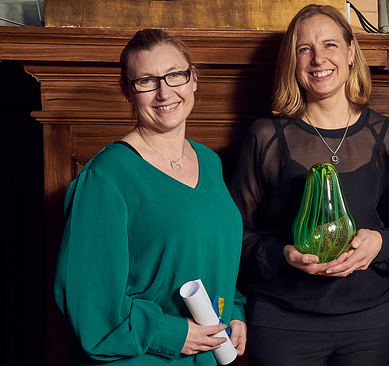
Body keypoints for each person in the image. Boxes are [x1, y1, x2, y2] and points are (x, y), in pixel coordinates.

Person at [54, 29, 247, 365]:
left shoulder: (210, 162)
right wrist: (171, 334)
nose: (164, 92)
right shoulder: (105, 177)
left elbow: (211, 257)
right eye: (147, 81)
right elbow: (90, 303)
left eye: (175, 75)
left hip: (209, 353)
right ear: (127, 91)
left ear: (194, 79)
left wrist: (233, 310)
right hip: (141, 358)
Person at [230, 4, 389, 366]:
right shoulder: (266, 136)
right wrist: (283, 255)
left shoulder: (388, 136)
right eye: (303, 49)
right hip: (282, 322)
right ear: (291, 63)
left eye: (330, 45)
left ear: (351, 53)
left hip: (372, 323)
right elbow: (235, 235)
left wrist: (380, 242)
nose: (317, 59)